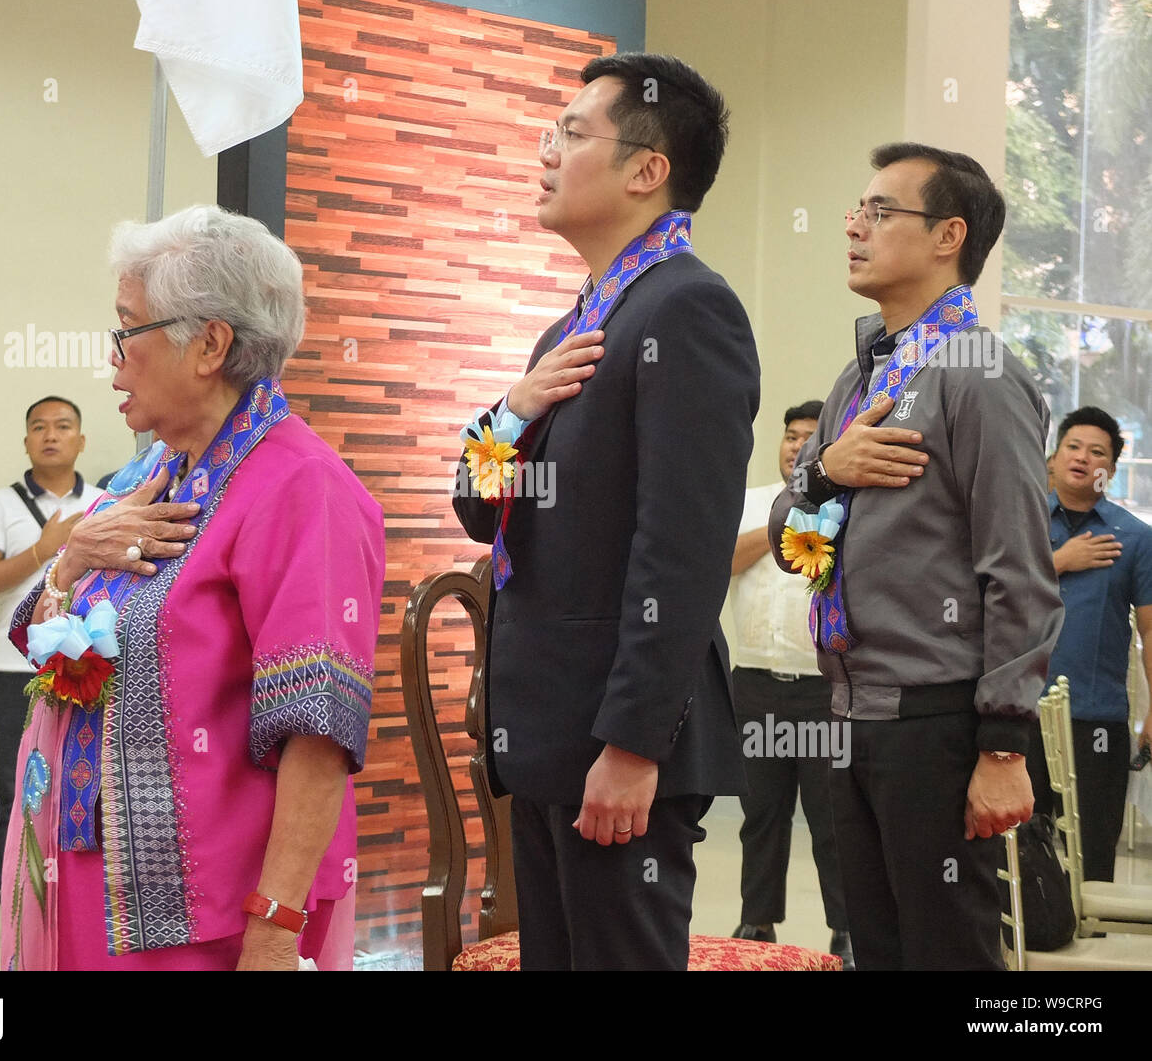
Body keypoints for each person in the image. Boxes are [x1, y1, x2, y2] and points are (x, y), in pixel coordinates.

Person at [0, 204, 385, 971]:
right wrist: (72, 556)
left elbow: (319, 727)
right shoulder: (150, 473)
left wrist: (274, 927)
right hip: (87, 877)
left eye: (127, 330)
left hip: (211, 912)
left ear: (209, 344)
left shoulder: (303, 489)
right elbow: (36, 636)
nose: (112, 362)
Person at [452, 52, 759, 970]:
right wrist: (512, 409)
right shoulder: (579, 323)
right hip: (547, 728)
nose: (545, 150)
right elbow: (477, 506)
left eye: (571, 133)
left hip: (614, 742)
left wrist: (632, 743)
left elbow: (683, 549)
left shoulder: (688, 307)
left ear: (646, 169)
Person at [769, 143, 1063, 970]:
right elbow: (795, 536)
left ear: (948, 236)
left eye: (879, 211)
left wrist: (1004, 747)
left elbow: (1020, 573)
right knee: (880, 949)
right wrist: (829, 468)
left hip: (935, 721)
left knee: (949, 953)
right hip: (849, 713)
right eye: (856, 211)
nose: (854, 227)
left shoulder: (981, 376)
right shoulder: (858, 382)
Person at [728, 400, 851, 968]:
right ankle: (757, 921)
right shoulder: (749, 502)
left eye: (810, 437)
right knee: (762, 813)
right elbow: (722, 562)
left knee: (832, 819)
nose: (797, 446)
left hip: (822, 691)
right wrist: (780, 527)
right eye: (790, 436)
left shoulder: (845, 505)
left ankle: (846, 929)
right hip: (754, 683)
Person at [0, 396, 103, 890]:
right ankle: (13, 901)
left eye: (63, 426)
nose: (51, 435)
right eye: (39, 427)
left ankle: (69, 900)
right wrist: (43, 550)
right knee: (14, 785)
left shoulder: (101, 504)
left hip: (86, 666)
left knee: (80, 783)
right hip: (15, 667)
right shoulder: (1, 503)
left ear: (80, 440)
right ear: (26, 441)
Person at [1030, 406, 1152, 881]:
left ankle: (1088, 946)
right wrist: (1060, 561)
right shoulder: (1018, 523)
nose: (1083, 458)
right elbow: (984, 599)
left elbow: (1148, 631)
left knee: (1094, 853)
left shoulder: (1135, 538)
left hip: (1096, 718)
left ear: (1111, 471)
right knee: (1017, 848)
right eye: (1073, 447)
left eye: (1097, 452)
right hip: (1017, 711)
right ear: (1053, 460)